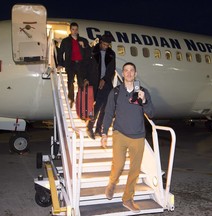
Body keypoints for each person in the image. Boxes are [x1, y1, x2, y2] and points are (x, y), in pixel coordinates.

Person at [100, 62, 154, 213]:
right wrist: (104, 133)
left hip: (138, 137)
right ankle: (112, 183)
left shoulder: (143, 92)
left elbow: (151, 113)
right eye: (126, 71)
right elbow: (109, 112)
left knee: (134, 171)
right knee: (118, 165)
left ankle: (128, 199)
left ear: (135, 74)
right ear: (122, 74)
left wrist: (144, 101)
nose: (129, 73)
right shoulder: (115, 92)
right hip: (120, 134)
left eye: (132, 71)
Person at [85, 34, 116, 139]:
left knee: (106, 108)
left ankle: (98, 129)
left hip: (106, 83)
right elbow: (87, 66)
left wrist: (105, 79)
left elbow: (112, 69)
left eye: (107, 45)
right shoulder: (93, 51)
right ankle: (89, 127)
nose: (106, 46)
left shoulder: (111, 54)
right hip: (95, 82)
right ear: (100, 42)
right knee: (96, 107)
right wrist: (86, 79)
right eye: (104, 44)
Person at [57, 22, 90, 108]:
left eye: (76, 29)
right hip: (70, 64)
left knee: (81, 83)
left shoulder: (83, 40)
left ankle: (80, 100)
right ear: (70, 30)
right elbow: (60, 53)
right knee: (70, 81)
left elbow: (88, 52)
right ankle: (71, 99)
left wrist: (84, 46)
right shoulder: (65, 41)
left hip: (80, 64)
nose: (75, 31)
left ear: (78, 30)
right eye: (73, 29)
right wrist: (60, 63)